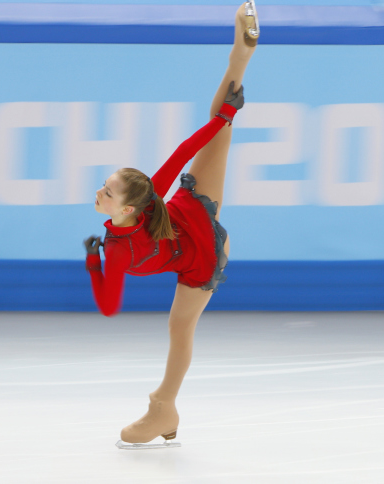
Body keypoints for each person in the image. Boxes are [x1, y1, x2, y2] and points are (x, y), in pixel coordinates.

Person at [84, 2, 259, 447]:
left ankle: (164, 407)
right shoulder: (148, 198)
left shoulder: (120, 248)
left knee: (180, 329)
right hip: (190, 213)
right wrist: (224, 117)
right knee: (220, 133)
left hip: (199, 253)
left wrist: (93, 263)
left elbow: (107, 304)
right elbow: (182, 151)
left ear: (126, 209)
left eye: (106, 190)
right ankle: (239, 60)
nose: (99, 192)